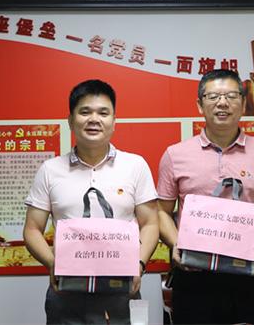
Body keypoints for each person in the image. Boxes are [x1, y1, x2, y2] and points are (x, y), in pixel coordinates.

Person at [157, 69, 254, 324]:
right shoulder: (175, 154)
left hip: (249, 272)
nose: (222, 103)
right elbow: (161, 212)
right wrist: (176, 243)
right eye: (213, 97)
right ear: (200, 105)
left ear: (243, 103)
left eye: (231, 96)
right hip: (194, 275)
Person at [23, 79, 159, 324]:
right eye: (85, 112)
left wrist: (139, 264)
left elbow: (150, 223)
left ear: (114, 121)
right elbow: (32, 229)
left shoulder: (135, 165)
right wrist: (53, 263)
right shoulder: (50, 169)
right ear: (70, 120)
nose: (94, 119)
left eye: (103, 113)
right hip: (67, 290)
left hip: (122, 289)